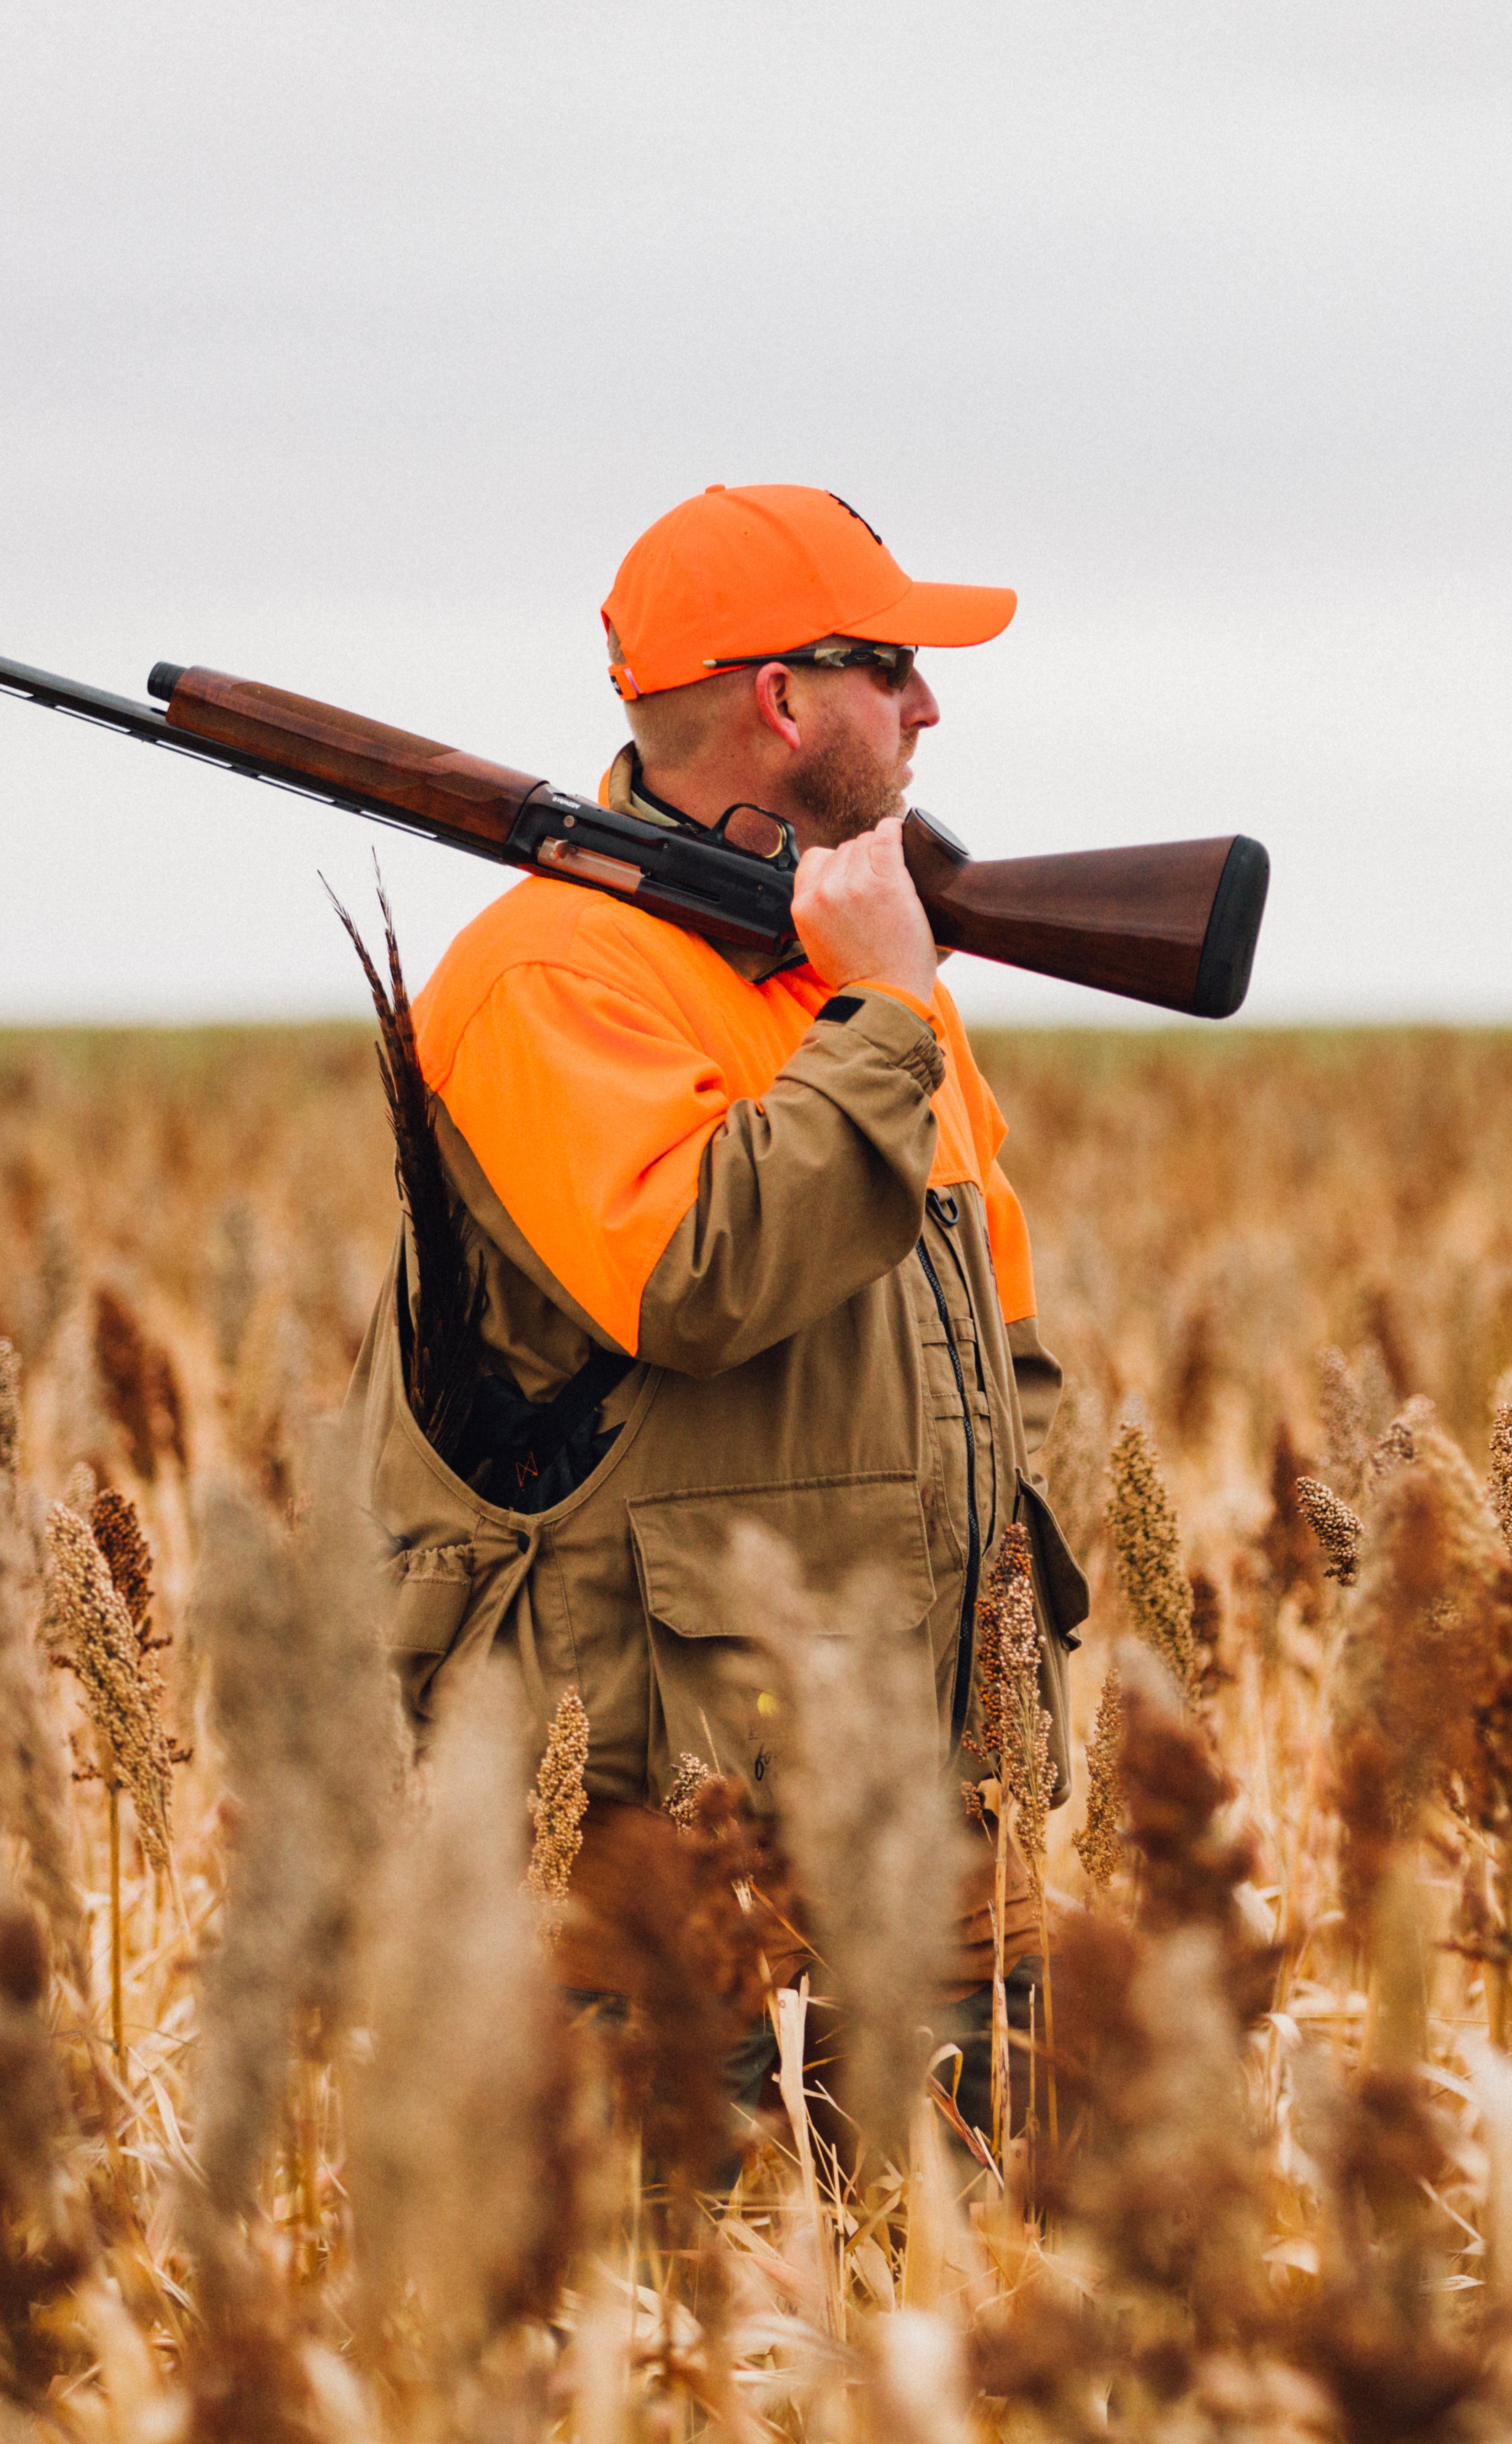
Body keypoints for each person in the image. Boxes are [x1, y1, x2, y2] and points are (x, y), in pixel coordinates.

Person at [336, 481, 1086, 2139]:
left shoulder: (858, 968)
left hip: (930, 1787)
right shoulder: (556, 975)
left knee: (1019, 2275)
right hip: (670, 1818)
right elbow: (695, 1269)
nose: (927, 706)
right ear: (779, 699)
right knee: (665, 2318)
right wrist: (886, 1005)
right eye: (892, 669)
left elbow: (999, 1320)